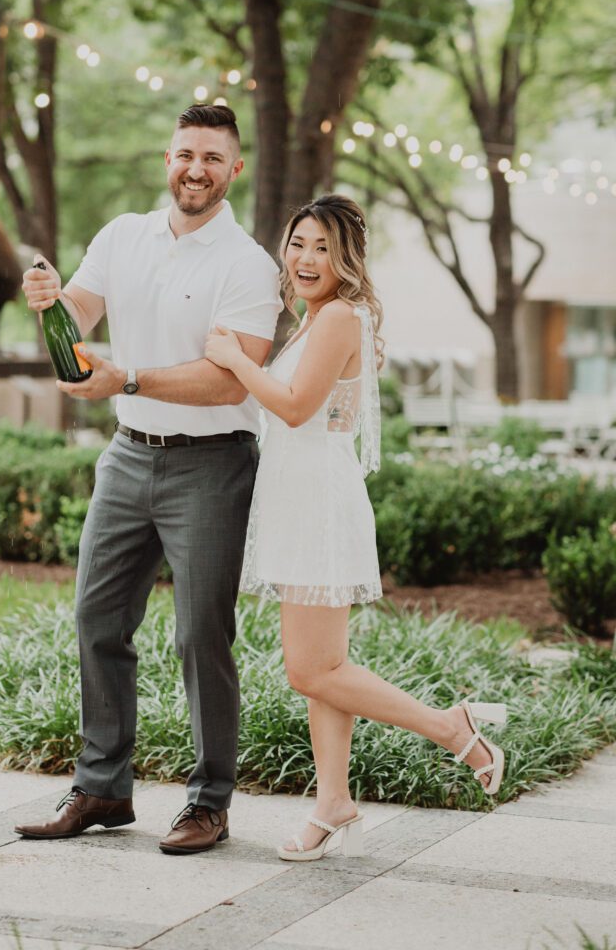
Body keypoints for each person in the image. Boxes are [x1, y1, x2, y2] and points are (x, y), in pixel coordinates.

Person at [204, 193, 507, 862]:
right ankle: (334, 802)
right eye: (299, 244)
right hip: (300, 498)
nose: (307, 258)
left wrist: (231, 356)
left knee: (310, 670)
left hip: (317, 503)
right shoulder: (316, 320)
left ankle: (450, 728)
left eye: (322, 248)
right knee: (324, 668)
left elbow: (292, 405)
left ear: (347, 260)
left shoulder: (339, 317)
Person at [15, 104, 281, 854]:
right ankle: (102, 789)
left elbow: (230, 383)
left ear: (235, 170)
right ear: (167, 158)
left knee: (202, 635)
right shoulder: (122, 235)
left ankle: (209, 802)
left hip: (213, 464)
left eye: (211, 158)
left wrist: (124, 376)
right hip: (127, 456)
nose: (195, 169)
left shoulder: (248, 264)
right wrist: (50, 301)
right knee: (97, 621)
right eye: (184, 154)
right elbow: (81, 312)